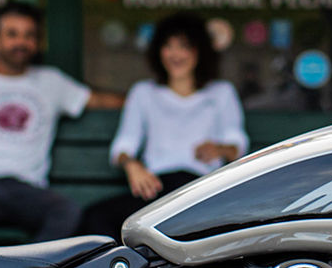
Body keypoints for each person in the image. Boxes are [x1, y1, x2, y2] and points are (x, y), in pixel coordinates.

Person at [0, 1, 123, 242]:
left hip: (26, 191)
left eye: (29, 35)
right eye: (12, 34)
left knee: (67, 211)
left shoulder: (51, 82)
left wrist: (150, 93)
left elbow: (101, 101)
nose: (21, 42)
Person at [79, 13, 248, 239]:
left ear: (200, 51)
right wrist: (132, 165)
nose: (175, 54)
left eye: (183, 47)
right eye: (167, 46)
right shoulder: (144, 92)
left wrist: (220, 149)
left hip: (201, 190)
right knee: (96, 217)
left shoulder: (221, 92)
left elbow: (237, 142)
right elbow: (123, 144)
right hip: (157, 190)